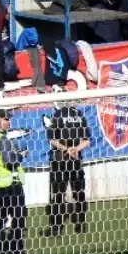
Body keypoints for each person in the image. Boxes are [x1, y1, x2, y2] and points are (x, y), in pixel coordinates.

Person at [43, 101, 91, 237]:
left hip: (61, 161)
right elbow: (87, 141)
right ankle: (80, 224)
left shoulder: (58, 114)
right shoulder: (79, 114)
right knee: (78, 193)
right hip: (75, 160)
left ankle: (57, 228)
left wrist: (67, 149)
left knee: (59, 195)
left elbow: (51, 139)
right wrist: (76, 149)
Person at [0, 110, 28, 254]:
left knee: (0, 220)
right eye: (5, 119)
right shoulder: (2, 140)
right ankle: (16, 253)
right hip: (11, 185)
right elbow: (10, 161)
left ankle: (0, 252)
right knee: (19, 219)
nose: (9, 122)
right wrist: (22, 155)